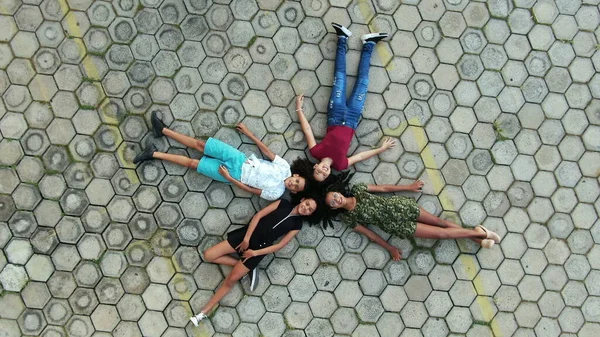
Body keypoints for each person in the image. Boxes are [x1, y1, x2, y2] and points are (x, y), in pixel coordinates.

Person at [190, 194, 325, 326]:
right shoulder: (283, 203)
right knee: (208, 255)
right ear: (302, 199)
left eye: (310, 210)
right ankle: (248, 269)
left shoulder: (297, 225)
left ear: (309, 214)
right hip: (245, 237)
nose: (306, 208)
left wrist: (254, 253)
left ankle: (202, 313)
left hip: (258, 250)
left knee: (231, 280)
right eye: (307, 204)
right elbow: (258, 215)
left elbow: (279, 245)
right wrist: (246, 239)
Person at [133, 112, 315, 200]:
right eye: (297, 181)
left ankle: (153, 154)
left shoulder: (276, 193)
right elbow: (265, 151)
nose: (293, 184)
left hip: (235, 175)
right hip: (240, 159)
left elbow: (250, 189)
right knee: (201, 145)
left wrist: (229, 178)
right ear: (296, 176)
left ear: (293, 192)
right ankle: (162, 130)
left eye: (296, 188)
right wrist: (248, 133)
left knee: (193, 163)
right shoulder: (283, 167)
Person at [295, 23, 395, 182]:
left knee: (340, 77)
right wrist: (381, 149)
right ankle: (369, 44)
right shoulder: (341, 165)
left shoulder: (316, 152)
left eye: (319, 172)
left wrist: (299, 110)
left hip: (335, 113)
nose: (324, 171)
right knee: (363, 81)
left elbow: (307, 130)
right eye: (325, 175)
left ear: (315, 166)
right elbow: (361, 156)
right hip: (352, 118)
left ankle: (342, 38)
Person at [324, 173, 501, 260]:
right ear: (333, 208)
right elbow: (371, 234)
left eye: (334, 196)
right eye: (332, 202)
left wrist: (409, 187)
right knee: (441, 233)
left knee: (441, 222)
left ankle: (480, 235)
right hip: (397, 226)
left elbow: (384, 189)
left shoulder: (358, 189)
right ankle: (479, 234)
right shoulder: (349, 218)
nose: (336, 199)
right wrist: (389, 248)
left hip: (402, 207)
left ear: (338, 192)